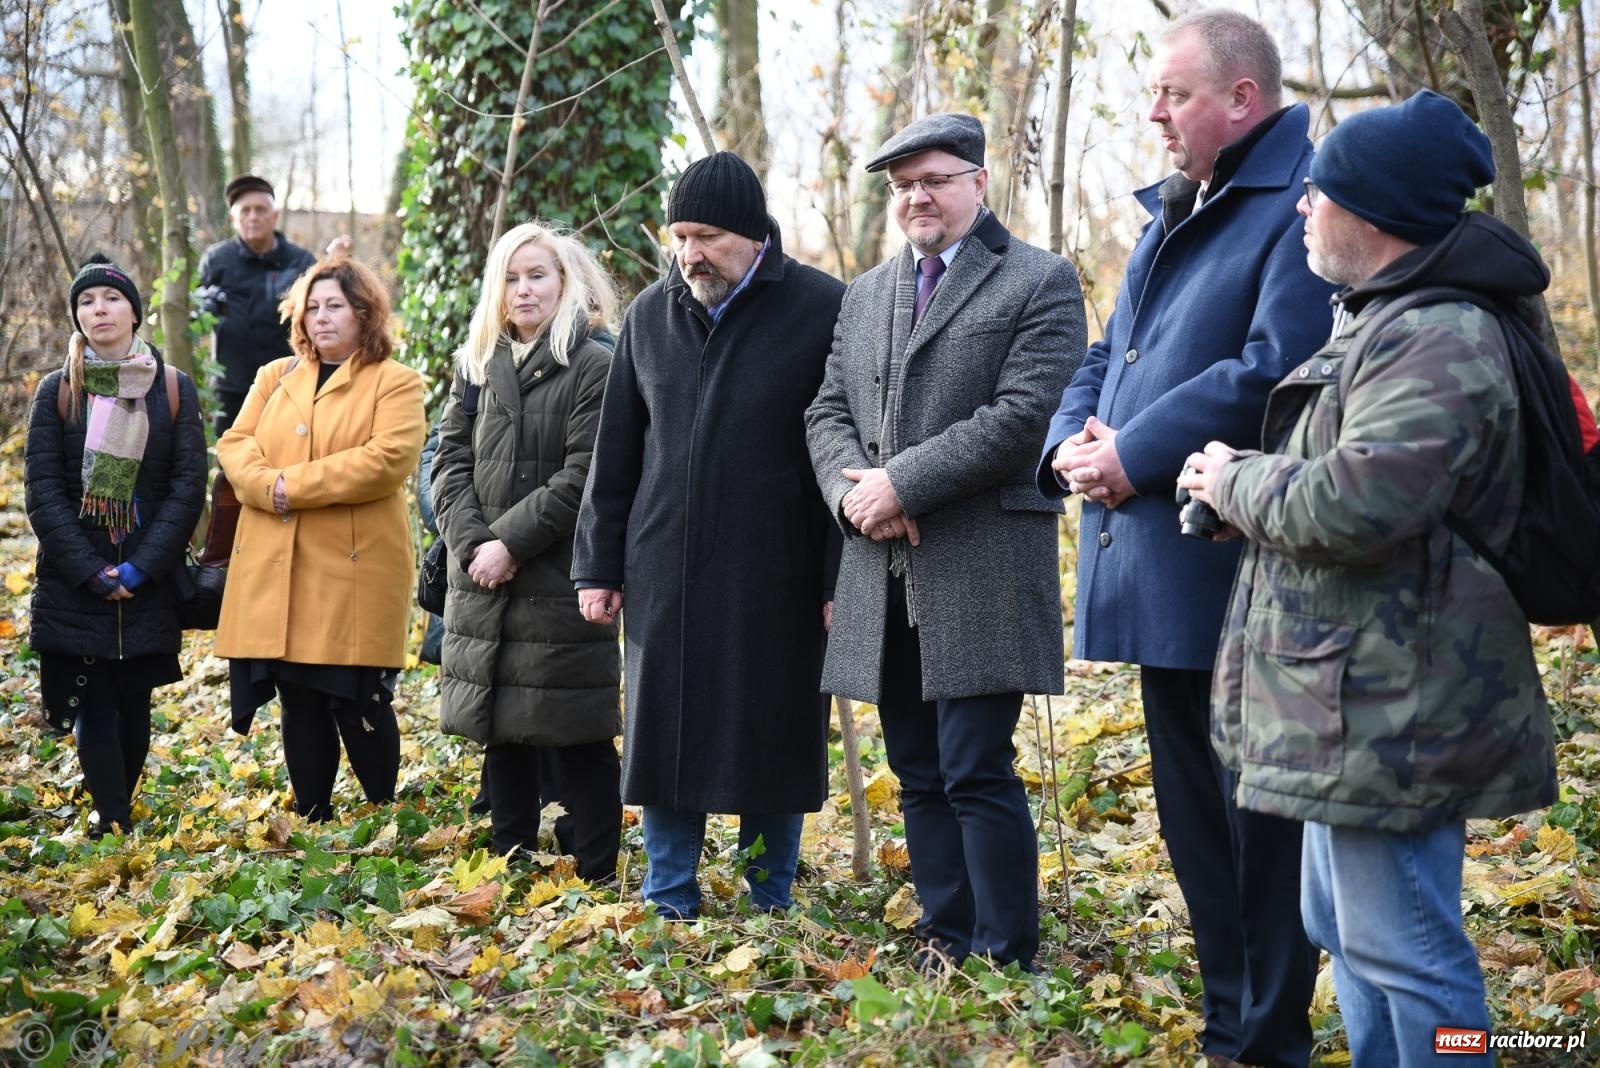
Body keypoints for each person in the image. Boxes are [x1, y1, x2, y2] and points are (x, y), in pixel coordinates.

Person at [1178, 90, 1557, 1068]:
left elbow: (1357, 503)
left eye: (1320, 193)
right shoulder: (1383, 318)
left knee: (1413, 956)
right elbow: (1354, 492)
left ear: (1376, 215)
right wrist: (1242, 505)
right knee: (1346, 932)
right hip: (1352, 694)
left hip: (1400, 705)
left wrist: (1234, 477)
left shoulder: (1439, 334)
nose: (1301, 206)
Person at [1036, 10, 1332, 1060]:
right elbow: (1108, 350)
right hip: (1157, 570)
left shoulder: (1299, 205)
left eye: (1171, 95)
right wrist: (1073, 444)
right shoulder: (1174, 208)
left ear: (1240, 100)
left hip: (1236, 576)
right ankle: (1226, 1028)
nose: (1152, 113)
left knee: (1257, 832)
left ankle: (1266, 1039)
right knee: (1193, 830)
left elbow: (1273, 367)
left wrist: (1136, 451)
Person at [805, 113, 1085, 971]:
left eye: (933, 179)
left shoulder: (1040, 281)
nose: (917, 198)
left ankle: (1008, 949)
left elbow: (1020, 416)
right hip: (880, 564)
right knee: (918, 769)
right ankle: (948, 933)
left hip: (983, 566)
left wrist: (904, 484)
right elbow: (826, 413)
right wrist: (859, 497)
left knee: (974, 764)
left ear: (977, 181)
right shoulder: (864, 294)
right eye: (902, 187)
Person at [573, 152, 844, 918]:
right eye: (680, 235)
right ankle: (670, 895)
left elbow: (848, 451)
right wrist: (598, 564)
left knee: (775, 735)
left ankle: (770, 897)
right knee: (665, 733)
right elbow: (616, 451)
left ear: (755, 233)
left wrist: (835, 580)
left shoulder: (823, 307)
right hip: (664, 568)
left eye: (708, 236)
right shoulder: (650, 316)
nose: (690, 253)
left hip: (778, 571)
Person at [431, 221, 623, 878]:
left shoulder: (595, 364)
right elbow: (447, 460)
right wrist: (473, 542)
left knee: (577, 727)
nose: (524, 290)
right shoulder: (479, 362)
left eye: (537, 275)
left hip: (559, 574)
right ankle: (508, 864)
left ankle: (599, 869)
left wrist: (509, 543)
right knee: (501, 724)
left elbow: (584, 474)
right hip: (481, 573)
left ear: (566, 282)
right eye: (511, 278)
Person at [214, 255, 426, 820]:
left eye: (336, 306)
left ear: (364, 314)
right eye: (312, 306)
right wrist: (266, 485)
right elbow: (236, 445)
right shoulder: (273, 377)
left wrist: (289, 486)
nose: (322, 317)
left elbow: (385, 460)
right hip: (279, 567)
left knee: (357, 697)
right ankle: (313, 812)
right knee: (298, 694)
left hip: (352, 571)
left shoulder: (396, 382)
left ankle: (383, 808)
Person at [24, 254, 207, 836]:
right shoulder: (58, 393)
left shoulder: (173, 389)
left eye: (109, 299)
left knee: (134, 704)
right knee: (94, 701)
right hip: (77, 580)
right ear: (78, 318)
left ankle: (117, 807)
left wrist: (141, 569)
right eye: (86, 302)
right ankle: (114, 818)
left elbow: (187, 487)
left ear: (134, 310)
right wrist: (91, 570)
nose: (98, 310)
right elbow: (43, 490)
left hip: (147, 579)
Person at [197, 175, 318, 436]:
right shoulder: (216, 260)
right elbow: (194, 313)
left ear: (274, 216)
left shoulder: (301, 262)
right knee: (231, 459)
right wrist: (204, 307)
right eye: (245, 211)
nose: (253, 216)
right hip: (231, 385)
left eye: (261, 209)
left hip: (289, 380)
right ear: (234, 219)